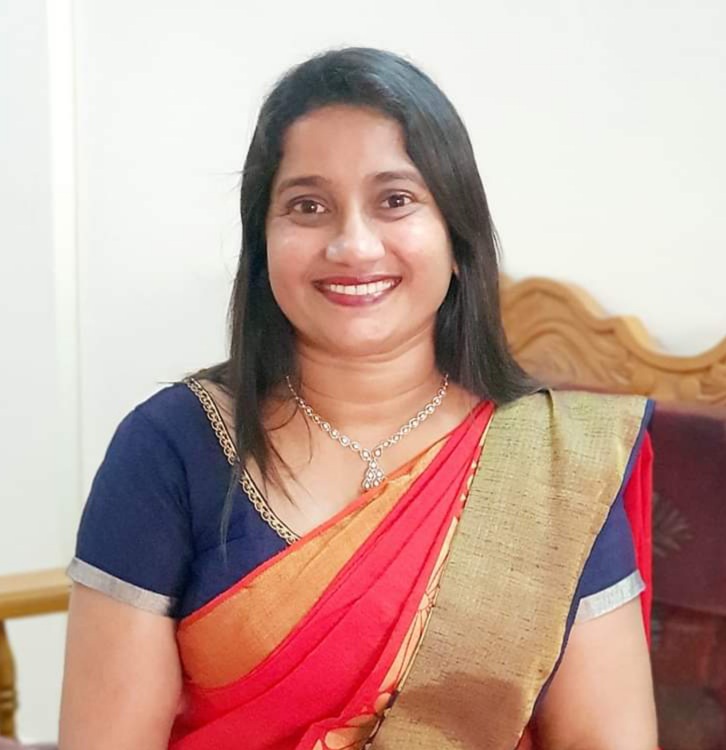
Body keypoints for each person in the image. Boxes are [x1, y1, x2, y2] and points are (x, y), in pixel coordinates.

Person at [59, 48, 658, 749]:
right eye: (307, 206)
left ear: (457, 235)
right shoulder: (170, 447)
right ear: (262, 242)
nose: (352, 244)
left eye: (395, 200)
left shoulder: (555, 466)